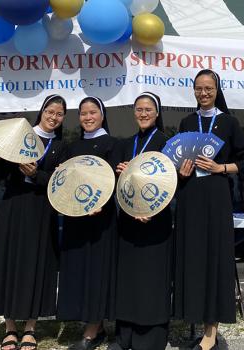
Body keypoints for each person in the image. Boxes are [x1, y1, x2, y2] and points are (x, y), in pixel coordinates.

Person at [0, 94, 68, 350]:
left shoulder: (61, 147)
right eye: (50, 111)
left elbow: (56, 181)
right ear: (42, 112)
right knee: (10, 260)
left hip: (41, 210)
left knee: (36, 263)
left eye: (59, 114)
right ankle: (10, 328)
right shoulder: (22, 134)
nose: (53, 117)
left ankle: (30, 327)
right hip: (14, 206)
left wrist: (37, 174)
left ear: (63, 118)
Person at [174, 70, 244, 350]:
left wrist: (221, 167)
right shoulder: (186, 121)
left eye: (208, 88)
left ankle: (211, 331)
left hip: (217, 197)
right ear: (193, 90)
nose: (203, 93)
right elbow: (178, 160)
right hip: (190, 198)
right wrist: (181, 172)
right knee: (193, 259)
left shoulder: (229, 122)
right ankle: (193, 320)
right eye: (199, 88)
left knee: (215, 259)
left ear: (217, 90)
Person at [108, 92, 173, 350]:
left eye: (148, 109)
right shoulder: (126, 144)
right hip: (128, 221)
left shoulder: (166, 142)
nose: (143, 113)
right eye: (139, 109)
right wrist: (121, 171)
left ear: (157, 113)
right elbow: (116, 183)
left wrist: (153, 210)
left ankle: (152, 337)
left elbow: (171, 182)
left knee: (152, 279)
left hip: (155, 221)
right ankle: (125, 335)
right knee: (129, 279)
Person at [57, 96, 118, 350]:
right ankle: (94, 324)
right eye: (83, 113)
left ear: (102, 116)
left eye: (93, 112)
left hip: (100, 220)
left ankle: (92, 330)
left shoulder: (113, 144)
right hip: (76, 220)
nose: (88, 117)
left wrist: (101, 204)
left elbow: (115, 180)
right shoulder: (72, 147)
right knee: (79, 271)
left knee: (96, 272)